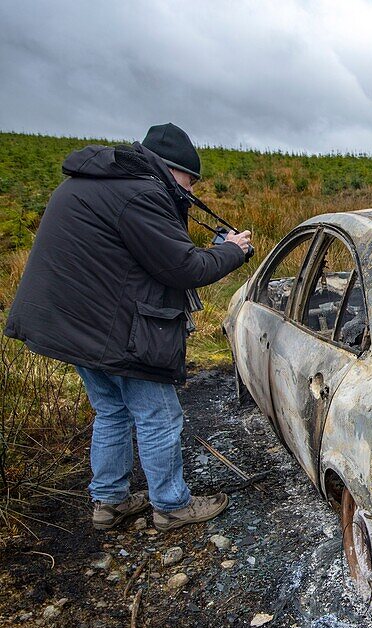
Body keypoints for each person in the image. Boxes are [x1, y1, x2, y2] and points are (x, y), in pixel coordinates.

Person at [4, 123, 253, 532]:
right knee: (159, 415)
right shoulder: (141, 193)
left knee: (112, 410)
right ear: (173, 170)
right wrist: (232, 250)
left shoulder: (102, 181)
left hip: (71, 322)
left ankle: (109, 502)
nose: (190, 192)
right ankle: (171, 505)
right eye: (190, 182)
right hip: (108, 327)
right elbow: (183, 267)